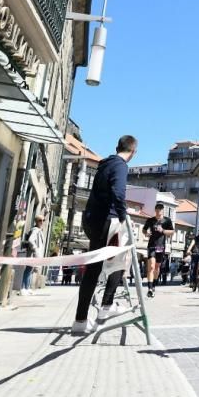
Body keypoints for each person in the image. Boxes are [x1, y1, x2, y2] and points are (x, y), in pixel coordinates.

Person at [72, 135, 137, 335]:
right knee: (121, 260)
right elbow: (118, 192)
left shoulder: (104, 164)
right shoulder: (120, 166)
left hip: (92, 219)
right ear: (133, 152)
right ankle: (107, 307)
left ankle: (81, 320)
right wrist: (124, 216)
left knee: (93, 270)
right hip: (106, 221)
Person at [143, 203, 174, 298]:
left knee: (157, 267)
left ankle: (154, 285)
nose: (159, 211)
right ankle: (149, 288)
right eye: (157, 209)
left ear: (163, 210)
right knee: (151, 266)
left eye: (160, 209)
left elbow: (172, 232)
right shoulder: (150, 220)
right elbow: (144, 230)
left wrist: (163, 231)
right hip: (152, 245)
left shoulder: (167, 220)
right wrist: (146, 233)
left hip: (161, 246)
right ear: (155, 210)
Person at [20, 214, 46, 295]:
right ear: (36, 221)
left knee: (30, 270)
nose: (42, 222)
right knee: (28, 270)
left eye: (43, 220)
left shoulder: (39, 230)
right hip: (33, 254)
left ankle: (27, 287)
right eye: (40, 220)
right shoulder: (35, 230)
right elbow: (31, 240)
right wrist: (35, 249)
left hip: (35, 254)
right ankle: (23, 288)